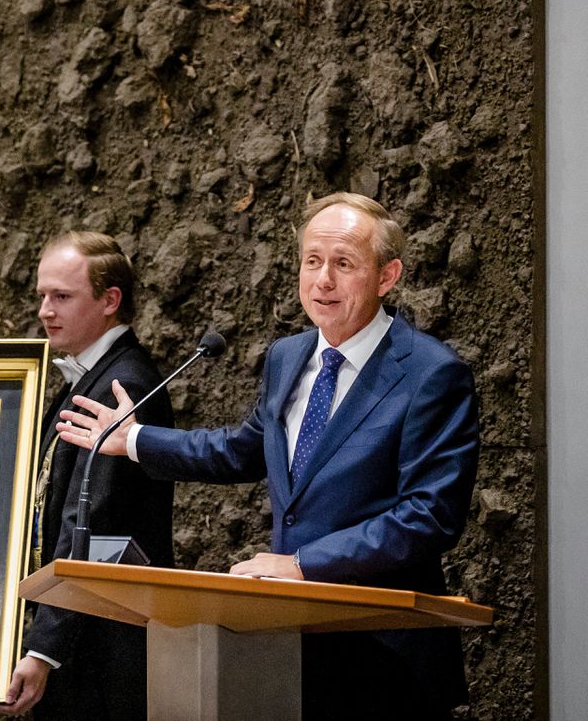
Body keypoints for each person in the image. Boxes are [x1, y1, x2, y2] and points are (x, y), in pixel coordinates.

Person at [57, 193, 479, 720]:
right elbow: (243, 448)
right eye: (312, 261)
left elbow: (429, 516)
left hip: (385, 653)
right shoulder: (289, 356)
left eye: (343, 264)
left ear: (387, 276)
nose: (322, 279)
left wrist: (303, 565)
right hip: (287, 646)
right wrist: (137, 439)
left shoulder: (431, 373)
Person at [0, 231, 174, 720]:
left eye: (62, 296)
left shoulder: (123, 384)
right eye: (42, 296)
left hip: (102, 644)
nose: (44, 311)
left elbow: (89, 524)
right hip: (82, 627)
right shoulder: (94, 375)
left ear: (110, 300)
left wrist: (43, 650)